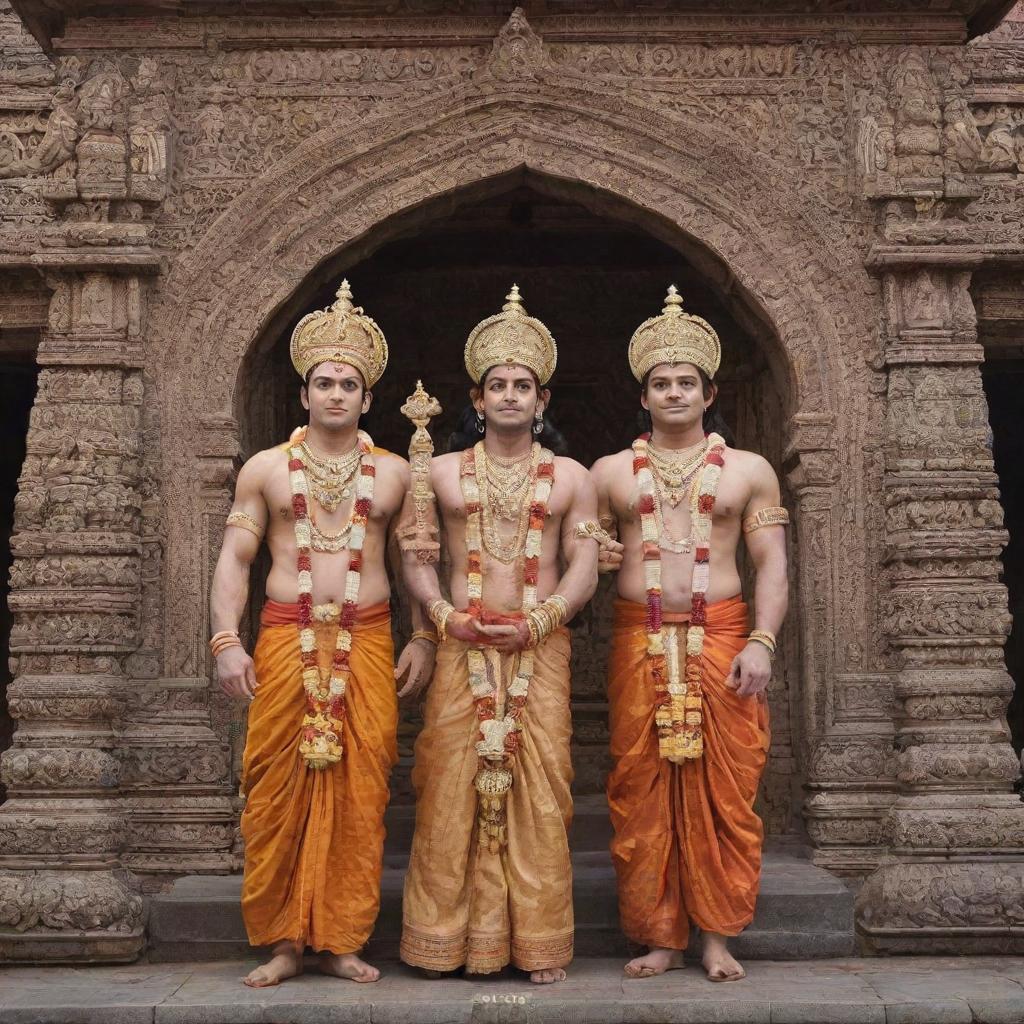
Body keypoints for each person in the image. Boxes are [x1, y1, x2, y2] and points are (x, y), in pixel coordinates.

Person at [209, 281, 435, 987]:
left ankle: (340, 939)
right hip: (284, 638)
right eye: (323, 383)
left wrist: (425, 634)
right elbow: (236, 560)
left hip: (366, 639)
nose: (335, 394)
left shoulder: (397, 474)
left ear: (367, 400)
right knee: (275, 790)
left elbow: (415, 564)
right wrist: (226, 640)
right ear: (304, 395)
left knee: (361, 795)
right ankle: (282, 943)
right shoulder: (266, 470)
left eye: (349, 384)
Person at [398, 286, 599, 984]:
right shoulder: (439, 472)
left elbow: (583, 565)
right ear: (476, 401)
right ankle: (442, 941)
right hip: (462, 642)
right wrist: (445, 620)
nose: (510, 396)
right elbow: (418, 558)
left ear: (543, 401)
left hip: (540, 648)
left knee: (541, 793)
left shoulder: (572, 477)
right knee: (451, 789)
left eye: (523, 386)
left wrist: (544, 620)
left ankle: (538, 942)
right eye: (497, 386)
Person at [590, 286, 789, 983]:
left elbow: (771, 565)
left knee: (724, 795)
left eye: (686, 383)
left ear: (709, 393)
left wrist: (762, 641)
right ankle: (660, 937)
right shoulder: (609, 473)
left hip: (724, 634)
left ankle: (716, 936)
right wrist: (602, 556)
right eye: (660, 383)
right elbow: (584, 557)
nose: (673, 392)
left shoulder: (749, 471)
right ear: (642, 396)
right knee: (642, 790)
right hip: (636, 638)